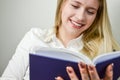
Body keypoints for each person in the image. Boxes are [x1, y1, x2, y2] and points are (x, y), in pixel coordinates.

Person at [1, 0, 120, 80]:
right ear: (62, 4)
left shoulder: (105, 52)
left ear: (96, 16)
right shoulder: (34, 37)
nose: (80, 17)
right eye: (75, 6)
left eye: (90, 12)